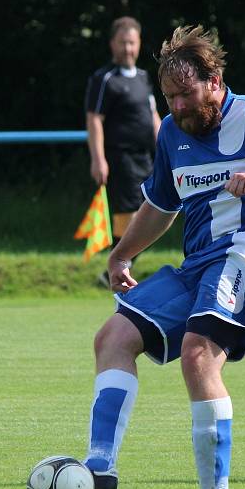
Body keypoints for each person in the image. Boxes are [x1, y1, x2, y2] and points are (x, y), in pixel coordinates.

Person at [80, 25, 245, 489]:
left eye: (186, 94)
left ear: (214, 80)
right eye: (168, 98)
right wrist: (120, 254)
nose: (178, 107)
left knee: (197, 354)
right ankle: (98, 468)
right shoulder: (171, 131)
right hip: (198, 264)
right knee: (113, 337)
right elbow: (159, 205)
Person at [85, 16, 163, 286]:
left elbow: (153, 116)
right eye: (122, 43)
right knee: (130, 215)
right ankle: (114, 270)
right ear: (112, 44)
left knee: (153, 212)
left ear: (139, 44)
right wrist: (98, 159)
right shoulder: (104, 79)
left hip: (147, 158)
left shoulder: (143, 77)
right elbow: (94, 119)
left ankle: (114, 271)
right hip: (120, 159)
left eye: (132, 43)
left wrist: (167, 147)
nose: (127, 48)